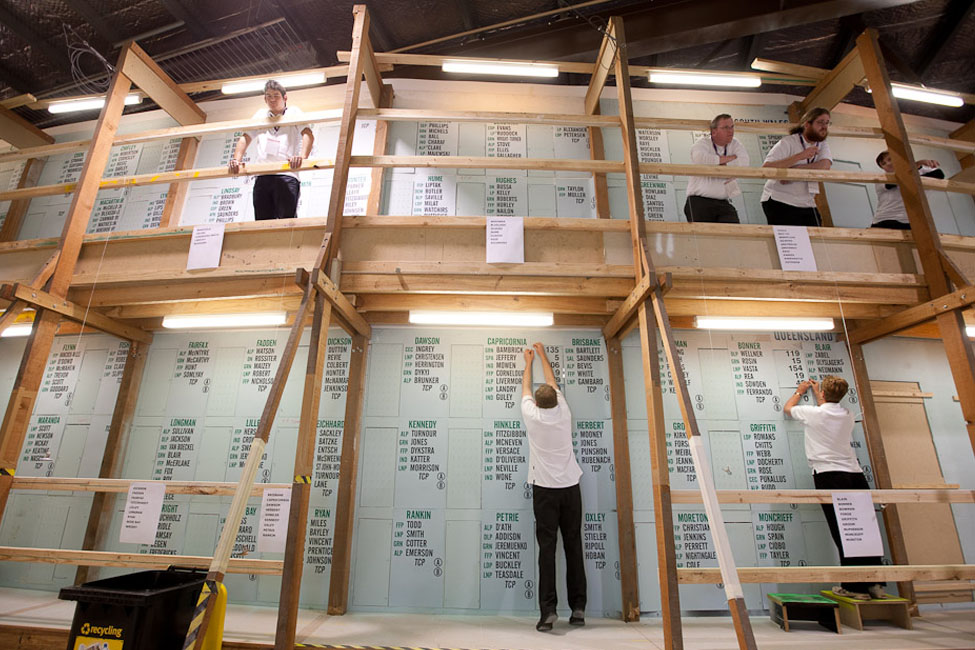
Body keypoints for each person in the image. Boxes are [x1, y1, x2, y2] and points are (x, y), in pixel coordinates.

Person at [785, 376, 887, 601]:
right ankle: (876, 585)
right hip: (855, 475)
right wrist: (819, 394)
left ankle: (855, 588)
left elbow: (788, 408)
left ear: (823, 394)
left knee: (844, 531)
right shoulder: (848, 415)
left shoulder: (813, 413)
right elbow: (828, 409)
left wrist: (800, 391)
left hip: (829, 475)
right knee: (865, 530)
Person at [521, 342, 586, 632]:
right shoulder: (564, 413)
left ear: (536, 405)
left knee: (547, 550)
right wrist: (543, 355)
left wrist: (528, 362)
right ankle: (579, 608)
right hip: (570, 488)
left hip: (545, 491)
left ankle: (548, 611)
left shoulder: (532, 416)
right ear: (556, 401)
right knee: (573, 546)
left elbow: (526, 388)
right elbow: (551, 380)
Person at [228, 80, 314, 220]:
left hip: (287, 173)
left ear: (285, 98)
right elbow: (245, 137)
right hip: (263, 174)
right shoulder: (260, 114)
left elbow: (308, 134)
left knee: (287, 221)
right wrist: (236, 160)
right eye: (269, 96)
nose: (272, 100)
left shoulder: (293, 112)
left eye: (276, 96)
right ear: (265, 99)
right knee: (262, 222)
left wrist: (302, 158)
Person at [761, 107, 833, 227]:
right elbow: (767, 168)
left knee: (815, 236)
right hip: (780, 199)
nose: (824, 127)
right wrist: (800, 156)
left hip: (807, 202)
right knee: (790, 238)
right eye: (820, 122)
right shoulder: (788, 142)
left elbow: (825, 166)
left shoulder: (822, 144)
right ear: (807, 124)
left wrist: (795, 171)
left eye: (827, 123)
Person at [684, 114, 750, 223]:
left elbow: (744, 162)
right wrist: (731, 159)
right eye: (726, 128)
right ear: (714, 131)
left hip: (723, 202)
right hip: (699, 201)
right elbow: (700, 158)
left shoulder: (735, 144)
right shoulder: (703, 143)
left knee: (734, 230)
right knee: (704, 234)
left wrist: (718, 165)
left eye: (732, 127)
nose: (730, 131)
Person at [871, 150, 944, 229]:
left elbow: (939, 174)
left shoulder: (922, 170)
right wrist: (916, 164)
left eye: (890, 159)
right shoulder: (882, 178)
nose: (888, 164)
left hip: (911, 221)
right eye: (883, 164)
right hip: (885, 220)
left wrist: (917, 167)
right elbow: (899, 180)